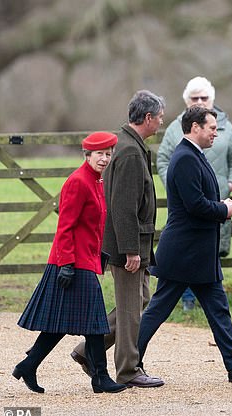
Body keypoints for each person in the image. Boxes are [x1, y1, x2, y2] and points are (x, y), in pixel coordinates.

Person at [137, 106, 232, 383]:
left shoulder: (194, 155)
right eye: (212, 129)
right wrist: (223, 209)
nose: (215, 134)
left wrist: (220, 207)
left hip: (198, 253)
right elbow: (194, 205)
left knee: (218, 307)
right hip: (184, 252)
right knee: (158, 310)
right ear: (195, 127)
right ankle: (129, 361)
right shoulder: (184, 158)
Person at [14, 132, 126, 394]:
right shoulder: (77, 182)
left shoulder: (97, 182)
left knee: (64, 322)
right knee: (96, 322)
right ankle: (100, 378)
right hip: (72, 262)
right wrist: (66, 264)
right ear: (87, 155)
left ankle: (28, 365)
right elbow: (65, 226)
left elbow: (94, 226)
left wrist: (98, 254)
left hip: (85, 259)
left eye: (108, 154)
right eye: (99, 154)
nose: (105, 159)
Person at [71, 90, 165, 388]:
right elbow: (123, 206)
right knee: (129, 309)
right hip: (127, 246)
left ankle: (87, 351)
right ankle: (128, 370)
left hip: (134, 243)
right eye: (160, 117)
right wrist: (130, 250)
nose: (162, 122)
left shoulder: (128, 145)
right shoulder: (128, 151)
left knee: (140, 301)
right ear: (148, 118)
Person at [157, 76, 232, 312]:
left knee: (214, 300)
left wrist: (231, 183)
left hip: (215, 203)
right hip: (195, 214)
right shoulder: (179, 133)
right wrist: (174, 186)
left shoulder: (223, 125)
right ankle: (186, 301)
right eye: (195, 98)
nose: (199, 101)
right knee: (161, 305)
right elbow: (164, 161)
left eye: (204, 97)